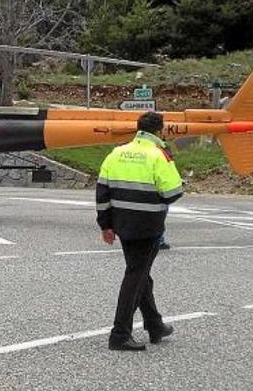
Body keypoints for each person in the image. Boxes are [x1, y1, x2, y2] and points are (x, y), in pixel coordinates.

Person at [97, 111, 184, 351]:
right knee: (135, 277)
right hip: (148, 226)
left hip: (122, 225)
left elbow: (102, 192)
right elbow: (172, 192)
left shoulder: (117, 152)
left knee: (140, 273)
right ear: (160, 131)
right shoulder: (159, 155)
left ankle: (155, 325)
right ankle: (119, 334)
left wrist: (105, 225)